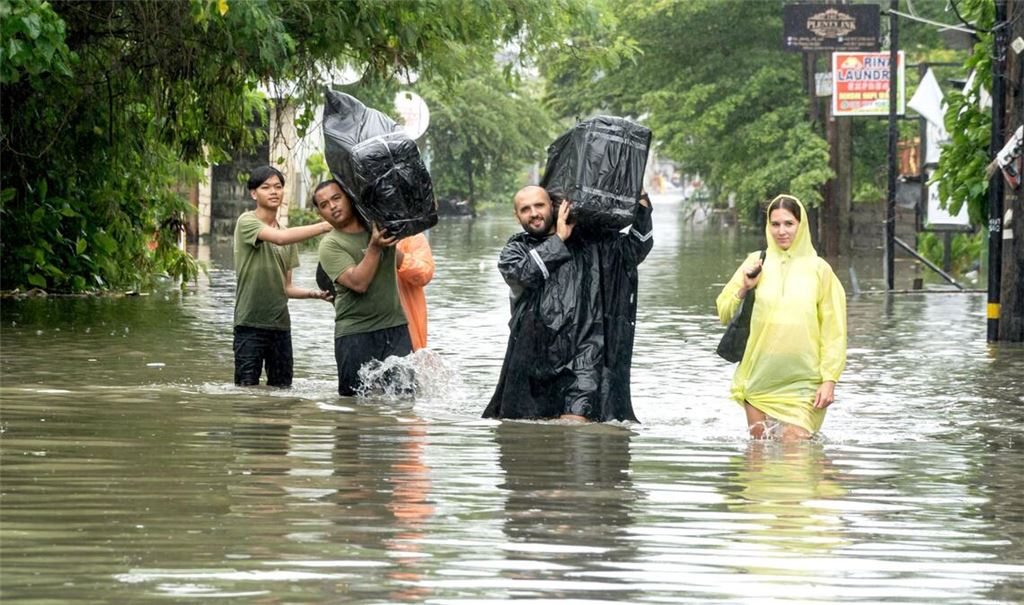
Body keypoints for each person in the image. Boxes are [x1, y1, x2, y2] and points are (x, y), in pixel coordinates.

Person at [483, 185, 653, 422]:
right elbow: (524, 274)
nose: (534, 213)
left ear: (553, 206)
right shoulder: (516, 249)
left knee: (575, 427)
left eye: (539, 205)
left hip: (585, 354)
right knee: (530, 434)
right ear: (517, 216)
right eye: (525, 209)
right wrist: (559, 238)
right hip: (535, 359)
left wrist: (642, 202)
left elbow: (635, 249)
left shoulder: (591, 242)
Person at [715, 194, 847, 441]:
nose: (781, 231)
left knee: (794, 455)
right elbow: (723, 311)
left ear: (801, 225)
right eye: (775, 224)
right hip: (759, 379)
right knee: (757, 463)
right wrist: (744, 287)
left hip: (804, 384)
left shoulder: (820, 270)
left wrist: (830, 379)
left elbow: (834, 331)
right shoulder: (756, 262)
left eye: (789, 223)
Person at [233, 166, 333, 387]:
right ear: (253, 193)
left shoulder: (288, 235)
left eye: (278, 187)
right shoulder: (247, 222)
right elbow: (279, 238)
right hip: (250, 323)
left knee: (282, 391)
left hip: (280, 326)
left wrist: (314, 294)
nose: (273, 191)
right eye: (266, 187)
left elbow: (286, 287)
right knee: (244, 391)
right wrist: (325, 225)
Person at [312, 179, 412, 396]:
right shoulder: (330, 245)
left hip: (395, 329)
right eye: (324, 204)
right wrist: (374, 247)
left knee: (403, 403)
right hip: (355, 334)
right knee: (353, 409)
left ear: (349, 197)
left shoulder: (378, 227)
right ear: (321, 214)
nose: (333, 206)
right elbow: (359, 283)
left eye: (336, 198)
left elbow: (401, 260)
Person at [396, 233, 435, 351]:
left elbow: (424, 274)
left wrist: (395, 255)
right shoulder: (353, 235)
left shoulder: (412, 237)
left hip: (407, 333)